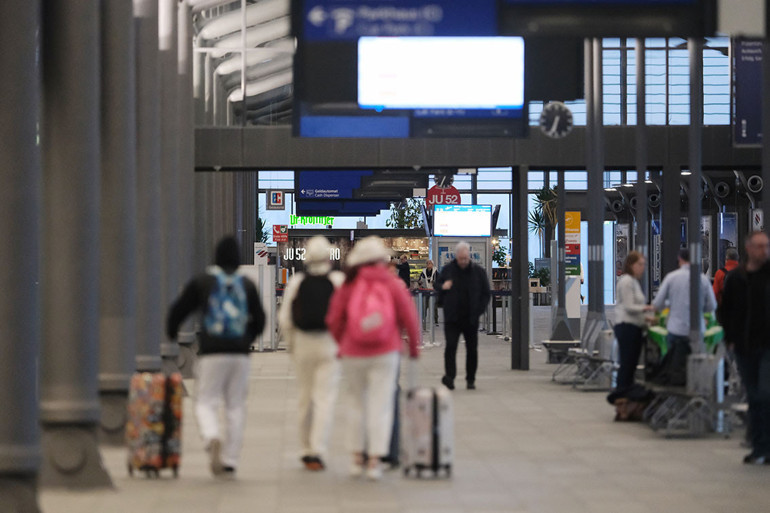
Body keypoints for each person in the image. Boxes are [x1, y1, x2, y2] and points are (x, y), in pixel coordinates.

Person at [167, 236, 265, 478]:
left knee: (205, 401)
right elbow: (261, 319)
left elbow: (179, 310)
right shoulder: (247, 285)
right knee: (235, 405)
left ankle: (211, 435)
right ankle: (230, 460)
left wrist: (171, 332)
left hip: (212, 352)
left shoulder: (204, 282)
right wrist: (246, 340)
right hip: (239, 355)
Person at [325, 236, 420, 480]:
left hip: (353, 352)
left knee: (356, 404)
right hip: (386, 351)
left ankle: (357, 459)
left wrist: (340, 344)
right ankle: (375, 462)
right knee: (381, 405)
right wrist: (414, 348)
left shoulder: (350, 283)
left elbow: (334, 318)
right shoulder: (390, 282)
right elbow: (409, 315)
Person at [278, 236, 344, 472]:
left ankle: (305, 448)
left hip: (304, 344)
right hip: (329, 344)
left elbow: (285, 319)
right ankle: (318, 449)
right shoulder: (338, 281)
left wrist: (292, 346)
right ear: (329, 257)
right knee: (324, 398)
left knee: (305, 398)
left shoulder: (297, 282)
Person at [720, 230, 770, 464]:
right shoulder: (736, 278)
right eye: (759, 246)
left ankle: (764, 445)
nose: (764, 251)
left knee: (764, 394)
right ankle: (759, 447)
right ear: (749, 249)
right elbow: (726, 309)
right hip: (744, 346)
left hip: (767, 346)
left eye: (766, 246)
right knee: (753, 395)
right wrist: (730, 337)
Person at [651, 247, 717, 386]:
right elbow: (711, 305)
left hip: (675, 330)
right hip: (697, 331)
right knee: (696, 368)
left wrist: (671, 305)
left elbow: (657, 303)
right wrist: (700, 310)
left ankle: (675, 397)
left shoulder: (671, 277)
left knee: (674, 366)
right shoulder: (703, 280)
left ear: (680, 259)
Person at [435, 242, 491, 391]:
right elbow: (437, 286)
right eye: (461, 258)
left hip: (471, 318)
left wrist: (479, 310)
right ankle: (450, 378)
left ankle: (470, 379)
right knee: (451, 347)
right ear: (456, 257)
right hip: (452, 318)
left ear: (469, 256)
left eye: (465, 258)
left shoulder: (478, 272)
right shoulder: (447, 270)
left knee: (472, 349)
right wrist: (443, 287)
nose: (463, 261)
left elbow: (486, 293)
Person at [610, 251, 654, 397]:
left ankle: (625, 393)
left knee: (631, 363)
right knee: (627, 363)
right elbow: (629, 306)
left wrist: (646, 318)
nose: (643, 267)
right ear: (631, 265)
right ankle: (621, 394)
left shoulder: (633, 281)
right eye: (640, 264)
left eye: (643, 264)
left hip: (633, 326)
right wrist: (647, 308)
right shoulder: (627, 282)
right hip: (627, 326)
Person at [419, 259, 438, 325]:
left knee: (434, 306)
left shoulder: (435, 272)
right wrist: (420, 282)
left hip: (433, 290)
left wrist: (435, 283)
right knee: (425, 305)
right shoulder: (423, 272)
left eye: (430, 263)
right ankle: (424, 319)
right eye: (428, 263)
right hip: (426, 290)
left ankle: (436, 320)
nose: (429, 265)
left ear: (432, 265)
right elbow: (420, 279)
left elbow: (439, 280)